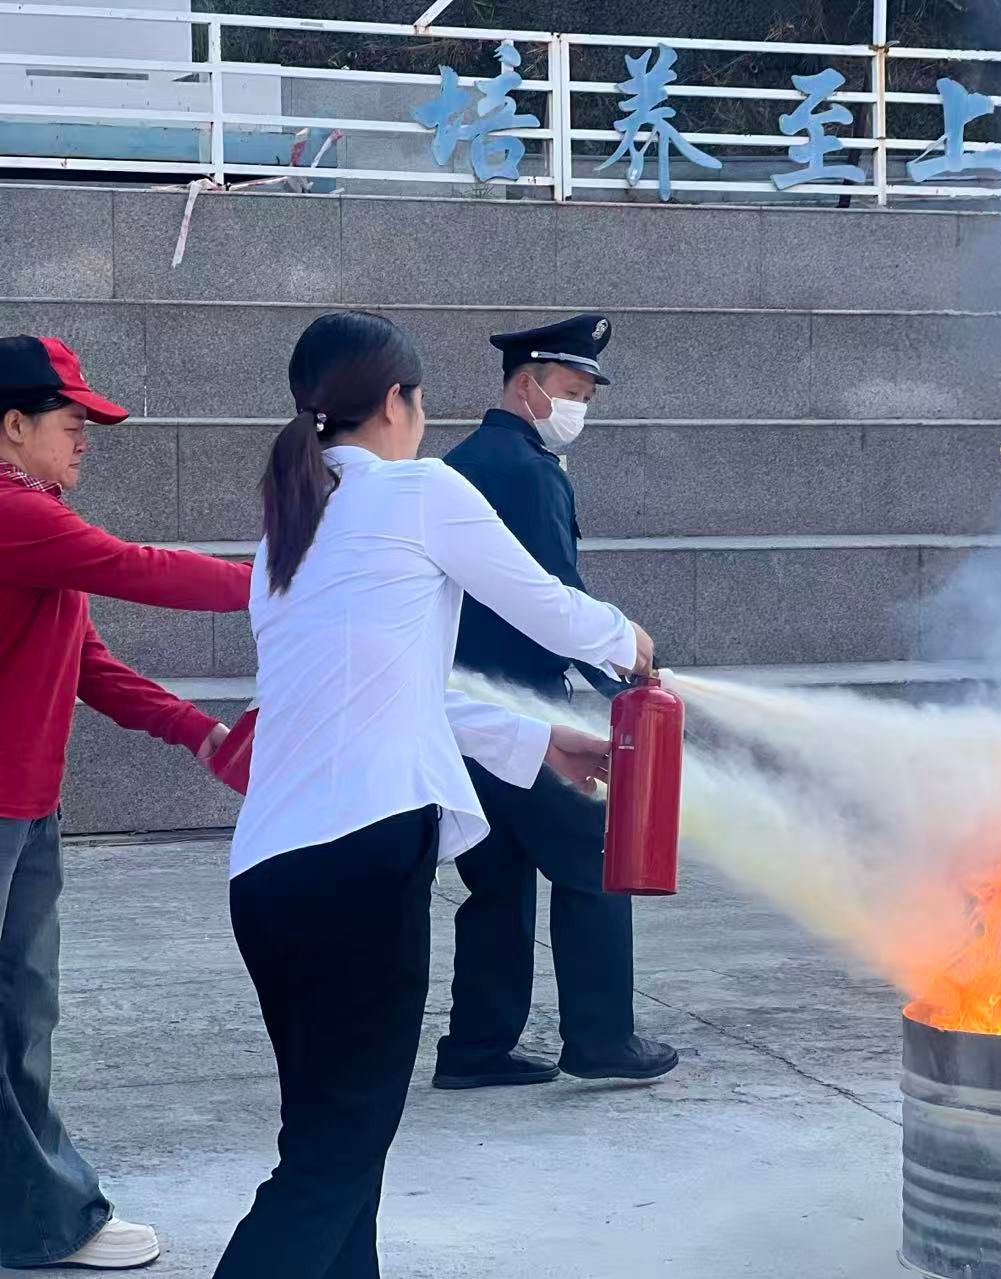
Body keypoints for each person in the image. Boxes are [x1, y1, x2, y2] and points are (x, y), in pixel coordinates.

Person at [214, 311, 654, 1279]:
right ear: (397, 402)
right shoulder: (418, 490)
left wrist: (536, 740)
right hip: (360, 866)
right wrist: (627, 640)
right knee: (330, 1160)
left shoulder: (294, 527)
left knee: (338, 1143)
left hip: (272, 876)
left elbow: (399, 686)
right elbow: (547, 606)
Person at [0, 335, 251, 1272]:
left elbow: (91, 666)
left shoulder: (37, 524)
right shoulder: (13, 513)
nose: (85, 440)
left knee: (22, 1015)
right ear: (13, 425)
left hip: (25, 810)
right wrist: (296, 578)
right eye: (72, 422)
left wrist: (200, 733)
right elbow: (141, 567)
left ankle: (34, 1219)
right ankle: (49, 1217)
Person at [431, 315, 677, 1092]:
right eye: (571, 391)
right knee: (596, 859)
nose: (578, 409)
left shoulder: (459, 464)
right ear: (527, 385)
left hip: (462, 713)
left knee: (498, 882)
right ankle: (601, 1038)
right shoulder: (531, 473)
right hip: (523, 711)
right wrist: (629, 675)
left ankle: (476, 1047)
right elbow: (551, 598)